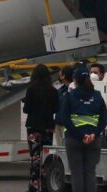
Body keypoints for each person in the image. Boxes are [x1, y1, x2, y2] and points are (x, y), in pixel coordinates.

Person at [60, 66, 107, 192]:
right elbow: (104, 119)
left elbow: (65, 119)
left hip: (73, 139)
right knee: (90, 173)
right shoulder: (97, 96)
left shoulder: (70, 96)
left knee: (77, 174)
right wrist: (94, 134)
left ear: (75, 80)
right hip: (93, 140)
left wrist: (81, 136)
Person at [23, 64, 59, 192]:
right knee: (46, 158)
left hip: (34, 127)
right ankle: (45, 185)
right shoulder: (53, 91)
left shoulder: (31, 89)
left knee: (35, 158)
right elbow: (56, 109)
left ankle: (34, 185)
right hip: (48, 127)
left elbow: (26, 109)